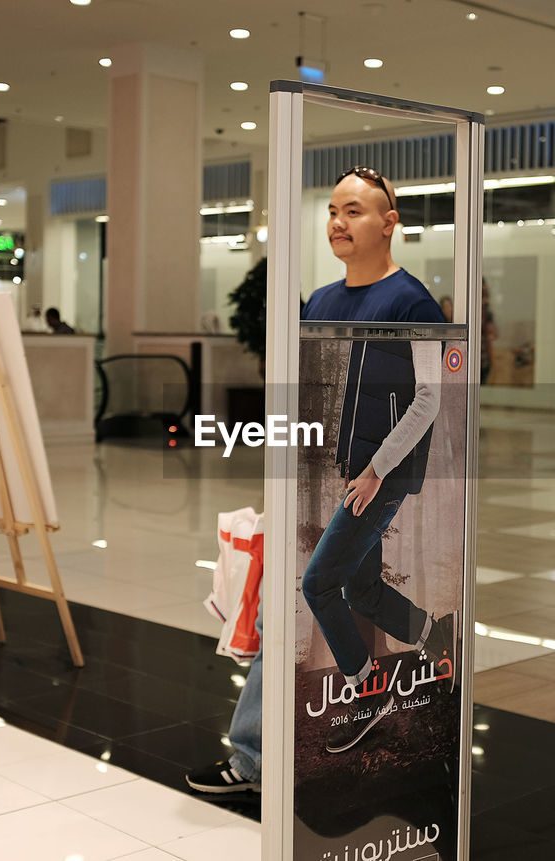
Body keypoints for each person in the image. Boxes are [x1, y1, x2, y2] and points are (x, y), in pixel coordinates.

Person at [187, 165, 454, 792]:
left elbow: (430, 399)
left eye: (355, 211)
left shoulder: (412, 302)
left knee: (312, 585)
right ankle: (428, 635)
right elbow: (314, 397)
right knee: (358, 589)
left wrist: (374, 471)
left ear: (390, 224)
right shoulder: (325, 302)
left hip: (379, 474)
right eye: (333, 210)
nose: (339, 221)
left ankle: (353, 698)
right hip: (330, 470)